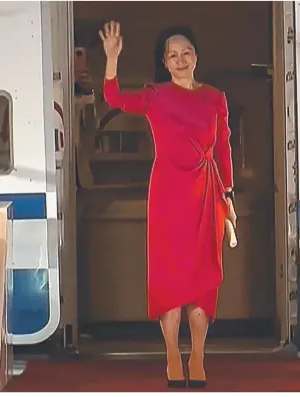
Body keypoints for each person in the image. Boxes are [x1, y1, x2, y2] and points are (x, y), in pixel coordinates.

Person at [99, 22, 235, 388]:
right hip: (168, 195)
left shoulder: (214, 97)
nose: (179, 59)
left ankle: (199, 355)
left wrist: (229, 196)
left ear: (196, 56)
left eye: (185, 52)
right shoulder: (154, 95)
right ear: (164, 61)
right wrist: (112, 59)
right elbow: (113, 98)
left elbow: (223, 148)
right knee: (170, 277)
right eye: (172, 55)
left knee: (203, 275)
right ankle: (173, 354)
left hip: (207, 194)